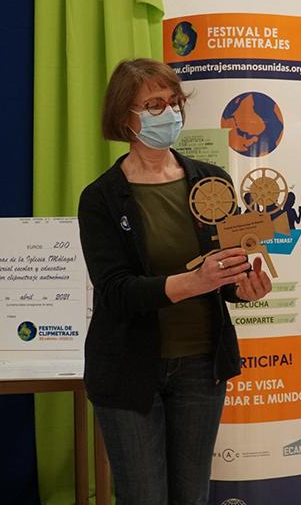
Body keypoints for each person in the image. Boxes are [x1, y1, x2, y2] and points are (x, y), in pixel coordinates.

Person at [78, 58, 272, 505]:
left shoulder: (211, 182)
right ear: (124, 116)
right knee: (144, 495)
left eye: (173, 102)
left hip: (202, 368)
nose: (168, 113)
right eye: (153, 104)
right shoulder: (101, 197)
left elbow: (223, 277)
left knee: (191, 495)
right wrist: (194, 281)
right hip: (128, 368)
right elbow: (116, 291)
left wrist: (242, 287)